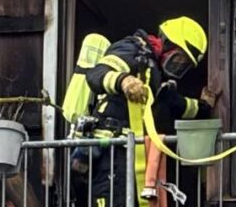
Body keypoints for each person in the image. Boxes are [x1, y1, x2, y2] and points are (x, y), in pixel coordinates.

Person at [85, 16, 219, 207]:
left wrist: (204, 106)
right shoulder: (131, 50)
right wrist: (124, 81)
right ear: (168, 43)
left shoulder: (157, 78)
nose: (180, 66)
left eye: (185, 64)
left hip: (134, 156)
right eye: (180, 57)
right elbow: (97, 74)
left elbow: (177, 105)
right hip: (112, 153)